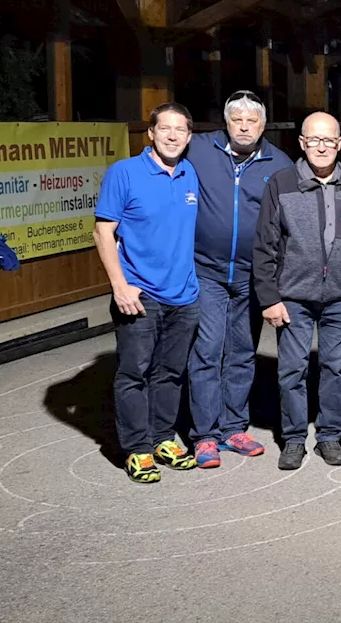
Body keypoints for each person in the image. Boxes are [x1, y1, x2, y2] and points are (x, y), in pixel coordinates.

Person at [93, 102, 201, 483]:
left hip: (185, 294)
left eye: (181, 130)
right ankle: (138, 449)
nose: (173, 136)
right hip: (139, 294)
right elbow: (103, 232)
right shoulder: (124, 173)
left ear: (189, 137)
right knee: (133, 374)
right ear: (151, 133)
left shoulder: (189, 173)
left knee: (170, 372)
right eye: (165, 128)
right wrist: (119, 285)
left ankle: (161, 439)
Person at [252, 112, 341, 470]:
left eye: (328, 140)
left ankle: (329, 437)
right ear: (301, 143)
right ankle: (294, 438)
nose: (321, 147)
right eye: (313, 140)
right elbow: (265, 245)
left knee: (335, 370)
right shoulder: (282, 183)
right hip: (293, 297)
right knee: (292, 371)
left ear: (339, 144)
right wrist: (269, 298)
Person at [186, 90, 292, 468]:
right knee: (208, 349)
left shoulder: (278, 163)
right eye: (237, 120)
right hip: (207, 271)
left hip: (251, 275)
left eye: (252, 121)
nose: (244, 127)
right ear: (225, 122)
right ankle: (205, 436)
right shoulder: (198, 148)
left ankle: (233, 428)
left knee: (243, 353)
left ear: (263, 126)